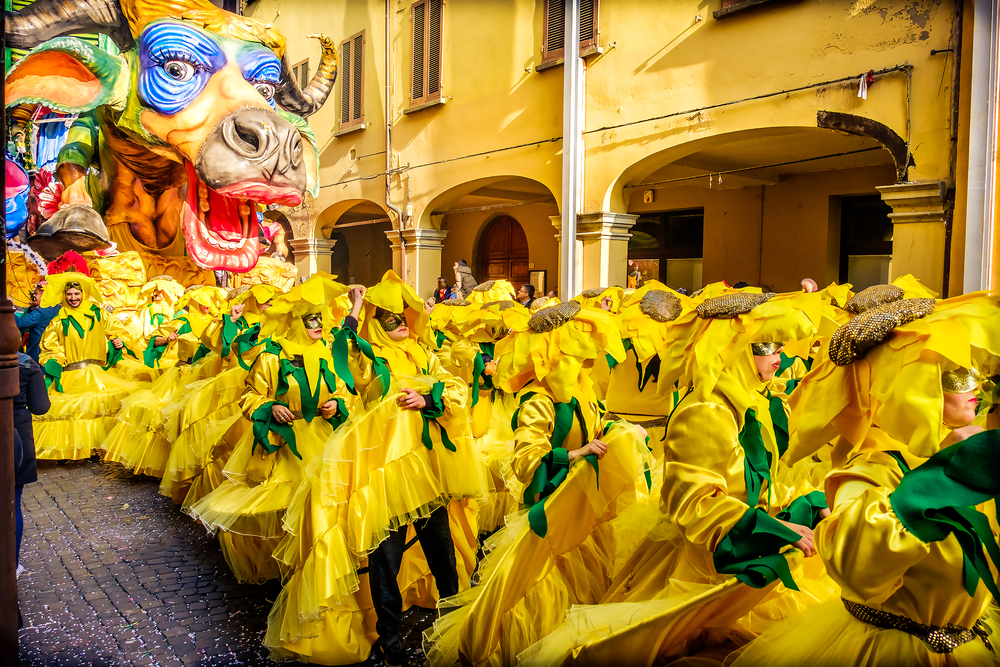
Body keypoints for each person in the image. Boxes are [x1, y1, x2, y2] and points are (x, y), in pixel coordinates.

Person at [14, 351, 50, 567]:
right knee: (12, 502)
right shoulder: (25, 363)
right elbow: (40, 407)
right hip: (16, 433)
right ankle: (12, 563)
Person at [15, 282, 60, 363]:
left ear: (44, 295)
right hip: (54, 357)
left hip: (38, 357)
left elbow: (20, 324)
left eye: (36, 293)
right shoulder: (58, 308)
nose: (34, 296)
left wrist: (8, 310)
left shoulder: (40, 313)